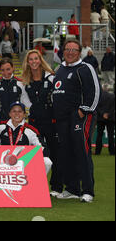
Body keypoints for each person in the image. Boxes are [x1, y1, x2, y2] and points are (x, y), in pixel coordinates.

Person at [52, 39, 101, 203]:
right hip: (62, 119)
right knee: (66, 153)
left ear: (79, 52)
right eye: (67, 49)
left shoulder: (85, 68)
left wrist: (84, 110)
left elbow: (95, 92)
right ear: (63, 52)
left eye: (74, 49)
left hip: (80, 117)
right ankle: (72, 189)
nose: (70, 52)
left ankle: (88, 191)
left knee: (82, 152)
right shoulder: (60, 69)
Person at [21, 49, 60, 196]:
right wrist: (34, 109)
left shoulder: (50, 77)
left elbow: (57, 97)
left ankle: (56, 188)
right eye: (30, 59)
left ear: (40, 60)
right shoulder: (25, 80)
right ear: (27, 62)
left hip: (51, 122)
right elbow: (25, 100)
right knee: (36, 155)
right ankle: (35, 187)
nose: (33, 62)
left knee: (55, 154)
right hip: (34, 123)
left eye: (36, 58)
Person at [0, 102, 53, 174]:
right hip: (3, 159)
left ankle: (36, 183)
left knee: (47, 161)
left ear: (24, 114)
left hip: (23, 161)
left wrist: (29, 155)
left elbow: (43, 148)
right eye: (14, 111)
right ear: (9, 114)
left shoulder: (30, 130)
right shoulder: (1, 127)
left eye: (20, 111)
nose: (17, 114)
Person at [0, 58, 29, 122]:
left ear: (13, 68)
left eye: (8, 69)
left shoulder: (20, 83)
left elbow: (26, 101)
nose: (6, 72)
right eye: (2, 70)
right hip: (1, 119)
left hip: (17, 119)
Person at [95, 84, 115, 156]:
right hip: (110, 118)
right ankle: (112, 152)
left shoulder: (99, 96)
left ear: (102, 89)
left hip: (101, 118)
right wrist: (108, 114)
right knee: (110, 135)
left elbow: (97, 107)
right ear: (108, 89)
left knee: (99, 135)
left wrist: (103, 114)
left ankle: (98, 151)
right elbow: (113, 108)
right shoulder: (112, 96)